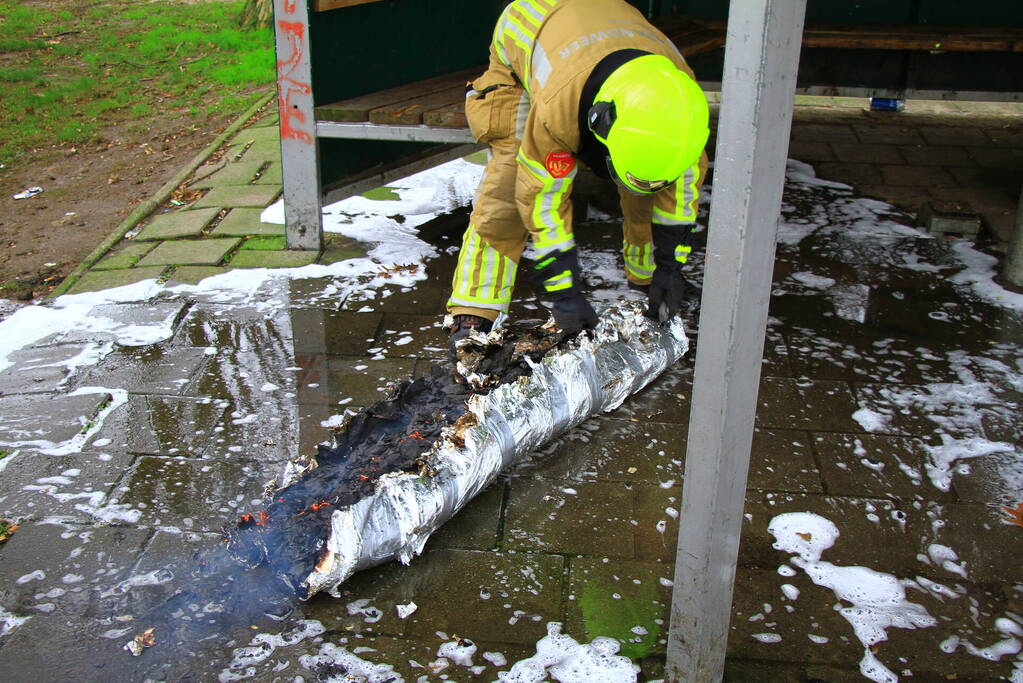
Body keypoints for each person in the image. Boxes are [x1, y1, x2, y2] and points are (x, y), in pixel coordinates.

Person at [447, 0, 709, 355]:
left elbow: (681, 186)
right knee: (510, 187)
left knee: (653, 182)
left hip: (600, 33)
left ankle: (648, 278)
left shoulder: (680, 106)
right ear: (601, 124)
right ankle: (475, 308)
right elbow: (541, 198)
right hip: (530, 33)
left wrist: (669, 267)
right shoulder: (559, 104)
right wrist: (564, 291)